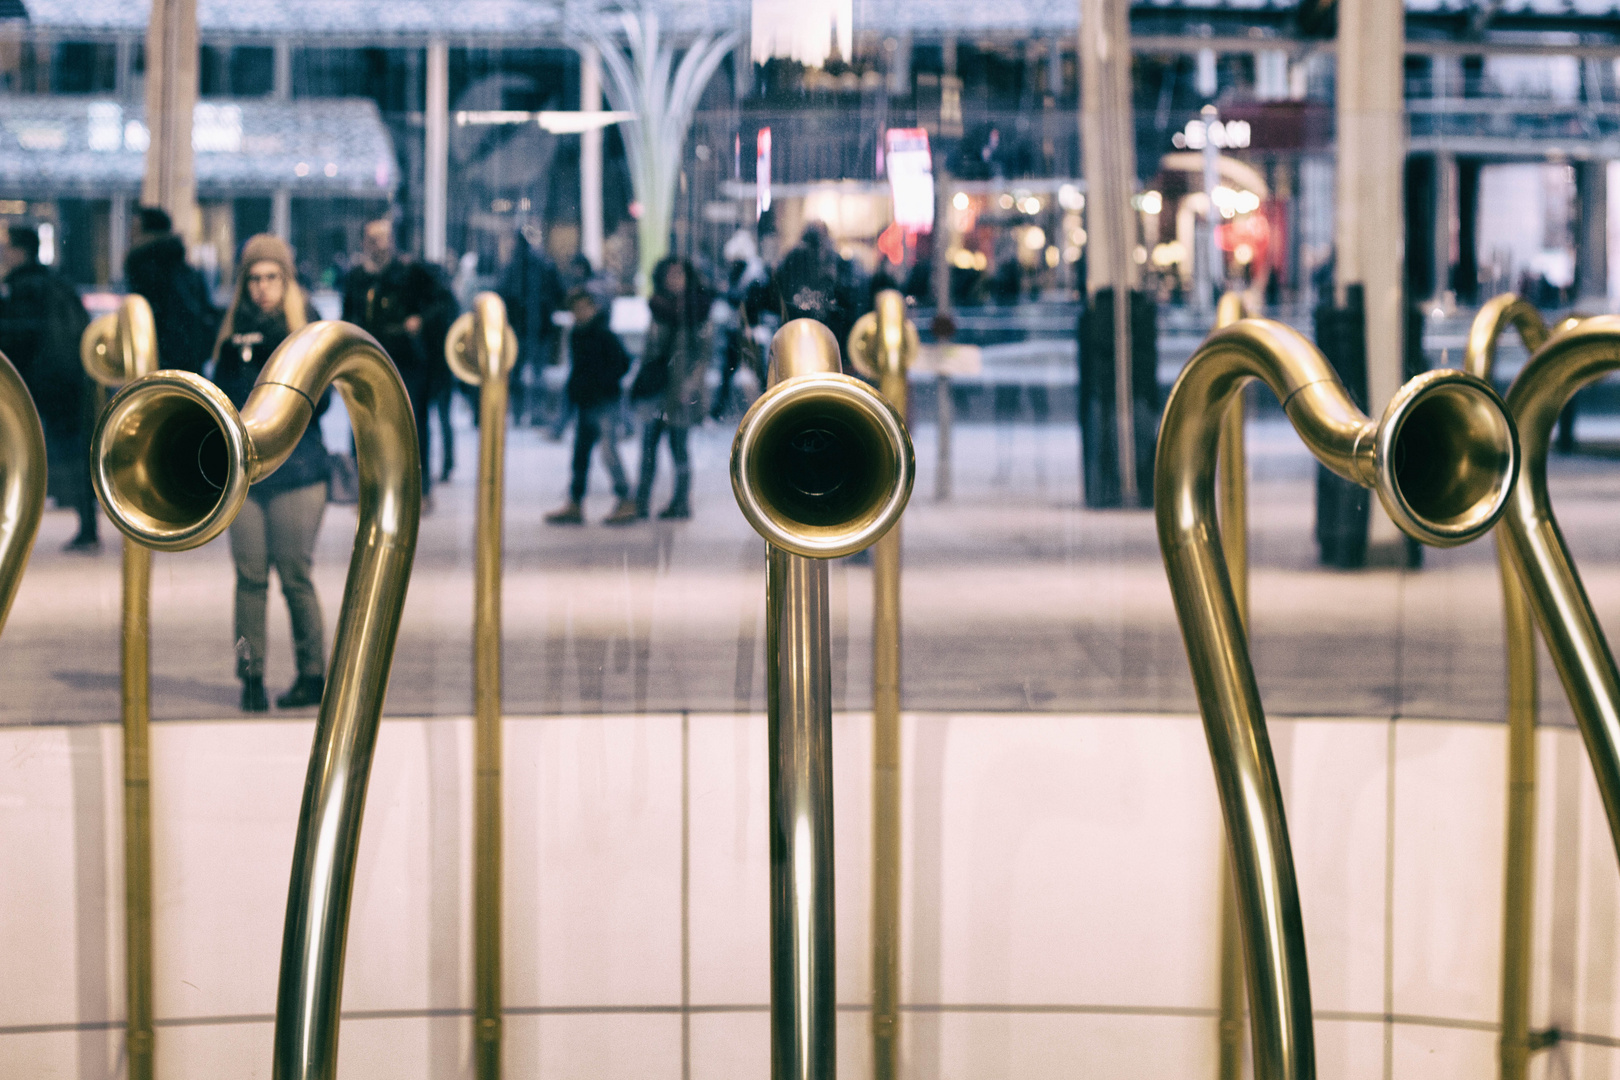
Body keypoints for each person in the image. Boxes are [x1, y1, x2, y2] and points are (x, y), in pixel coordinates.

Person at [211, 235, 330, 713]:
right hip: (246, 475)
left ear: (288, 280)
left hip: (299, 471)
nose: (262, 288)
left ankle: (313, 673)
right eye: (254, 279)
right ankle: (251, 674)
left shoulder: (309, 330)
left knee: (295, 575)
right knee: (249, 579)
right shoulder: (231, 328)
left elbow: (323, 402)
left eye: (272, 278)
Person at [341, 218, 454, 502]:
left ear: (392, 241)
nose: (377, 244)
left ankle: (421, 488)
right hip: (368, 359)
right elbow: (348, 316)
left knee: (413, 423)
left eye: (382, 238)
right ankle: (369, 491)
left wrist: (420, 320)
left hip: (408, 360)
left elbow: (442, 302)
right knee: (365, 424)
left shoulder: (411, 272)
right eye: (371, 239)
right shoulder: (357, 276)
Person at [0, 225, 97, 551]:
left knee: (16, 451)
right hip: (66, 379)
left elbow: (15, 340)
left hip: (35, 382)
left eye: (6, 246)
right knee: (73, 451)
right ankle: (88, 525)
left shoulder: (19, 287)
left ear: (19, 250)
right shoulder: (57, 282)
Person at [628, 256, 713, 521]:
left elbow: (703, 356)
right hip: (655, 389)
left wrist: (691, 387)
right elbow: (649, 349)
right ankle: (641, 502)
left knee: (679, 449)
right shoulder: (658, 307)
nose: (674, 279)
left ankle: (680, 503)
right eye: (669, 274)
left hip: (681, 391)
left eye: (679, 274)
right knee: (648, 448)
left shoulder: (697, 311)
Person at [544, 287, 637, 525]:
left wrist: (601, 382)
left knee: (608, 451)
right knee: (581, 453)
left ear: (593, 308)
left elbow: (622, 363)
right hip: (586, 401)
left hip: (604, 401)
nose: (580, 312)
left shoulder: (603, 334)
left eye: (584, 307)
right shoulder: (577, 333)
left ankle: (625, 496)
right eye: (576, 309)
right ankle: (575, 502)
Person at [124, 206, 218, 374]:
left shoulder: (144, 270)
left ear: (148, 233)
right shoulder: (188, 271)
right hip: (189, 364)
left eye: (134, 229)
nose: (130, 235)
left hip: (156, 363)